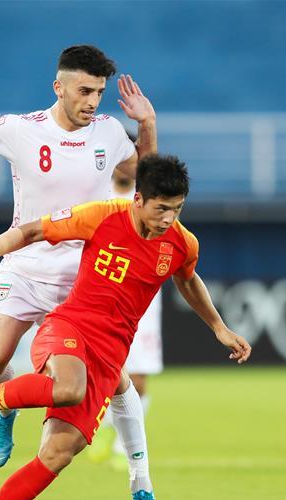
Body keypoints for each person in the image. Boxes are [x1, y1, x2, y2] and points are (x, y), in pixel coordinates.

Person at [0, 155, 251, 500]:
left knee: (56, 454)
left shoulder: (183, 244)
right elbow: (33, 229)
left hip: (110, 352)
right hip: (69, 326)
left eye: (177, 208)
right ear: (139, 200)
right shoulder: (101, 216)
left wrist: (220, 328)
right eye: (161, 207)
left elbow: (188, 282)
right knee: (68, 387)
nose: (169, 217)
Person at [0, 45, 163, 500]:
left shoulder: (111, 134)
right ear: (59, 87)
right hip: (26, 265)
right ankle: (2, 411)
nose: (93, 101)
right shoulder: (19, 128)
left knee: (117, 381)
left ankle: (141, 488)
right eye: (84, 90)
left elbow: (151, 181)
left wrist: (148, 124)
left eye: (98, 92)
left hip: (85, 280)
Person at [89, 152, 164, 470]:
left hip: (142, 299)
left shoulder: (147, 199)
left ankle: (122, 444)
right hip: (105, 298)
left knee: (140, 375)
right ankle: (105, 427)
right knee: (104, 373)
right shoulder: (95, 193)